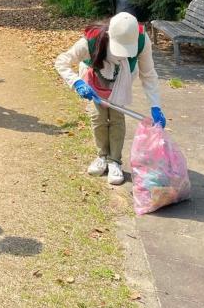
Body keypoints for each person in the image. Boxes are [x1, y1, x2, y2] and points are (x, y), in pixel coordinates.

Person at [54, 12, 166, 185]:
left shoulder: (142, 40)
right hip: (95, 78)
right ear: (109, 36)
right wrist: (77, 83)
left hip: (123, 78)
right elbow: (62, 61)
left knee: (116, 118)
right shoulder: (91, 40)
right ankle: (102, 157)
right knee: (98, 117)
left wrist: (155, 105)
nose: (122, 54)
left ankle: (115, 162)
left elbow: (148, 74)